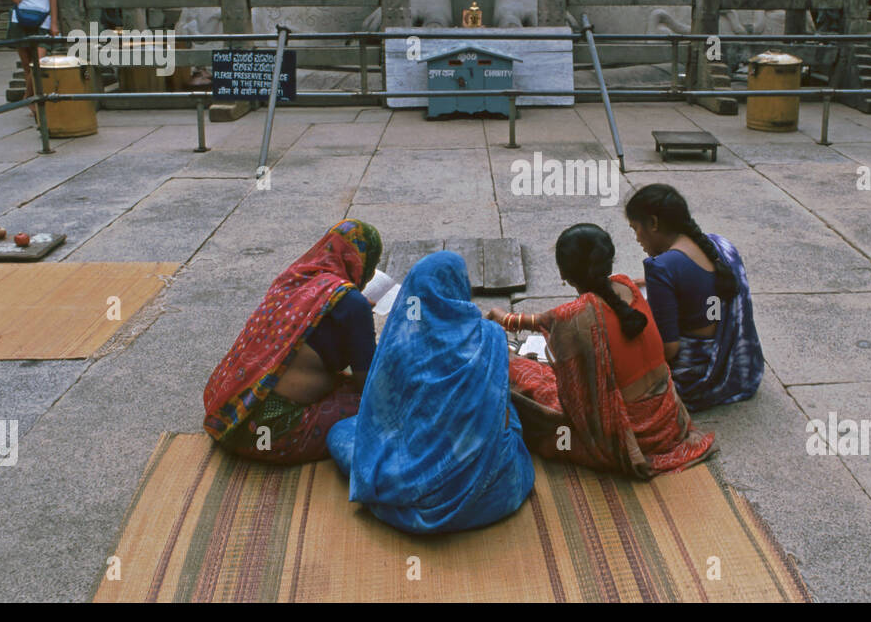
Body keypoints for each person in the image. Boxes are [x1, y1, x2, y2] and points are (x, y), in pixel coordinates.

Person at [327, 251, 535, 534]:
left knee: (341, 434)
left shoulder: (400, 342)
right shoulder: (490, 336)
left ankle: (412, 488)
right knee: (507, 415)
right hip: (493, 492)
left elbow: (378, 412)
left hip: (413, 485)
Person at [489, 224, 716, 479]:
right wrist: (508, 319)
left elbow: (572, 391)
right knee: (539, 372)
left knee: (518, 378)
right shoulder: (626, 285)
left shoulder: (576, 317)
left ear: (564, 273)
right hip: (669, 421)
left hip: (635, 437)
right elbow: (549, 320)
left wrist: (504, 319)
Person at [203, 219, 382, 464]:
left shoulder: (295, 279)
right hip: (267, 432)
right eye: (372, 266)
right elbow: (370, 386)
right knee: (382, 408)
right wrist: (362, 321)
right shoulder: (352, 304)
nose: (371, 275)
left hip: (227, 414)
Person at [624, 184, 764, 411]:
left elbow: (669, 350)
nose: (637, 238)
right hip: (733, 364)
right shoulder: (719, 246)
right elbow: (711, 299)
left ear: (653, 223)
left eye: (635, 229)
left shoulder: (661, 268)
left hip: (695, 376)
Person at [4, 0, 59, 124]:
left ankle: (28, 98)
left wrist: (54, 23)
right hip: (20, 20)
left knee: (39, 62)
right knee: (28, 65)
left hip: (42, 19)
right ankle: (32, 99)